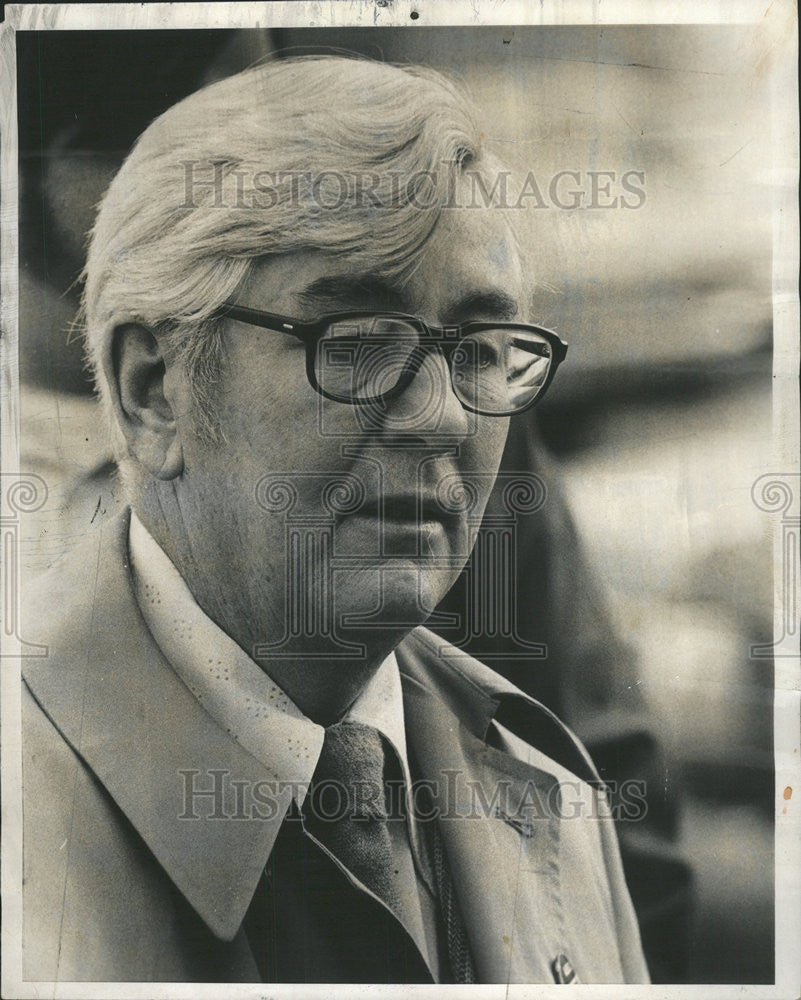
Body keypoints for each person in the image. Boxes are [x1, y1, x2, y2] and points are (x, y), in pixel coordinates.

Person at [21, 55, 649, 985]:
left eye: (481, 349)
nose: (441, 416)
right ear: (153, 389)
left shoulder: (549, 790)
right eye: (356, 344)